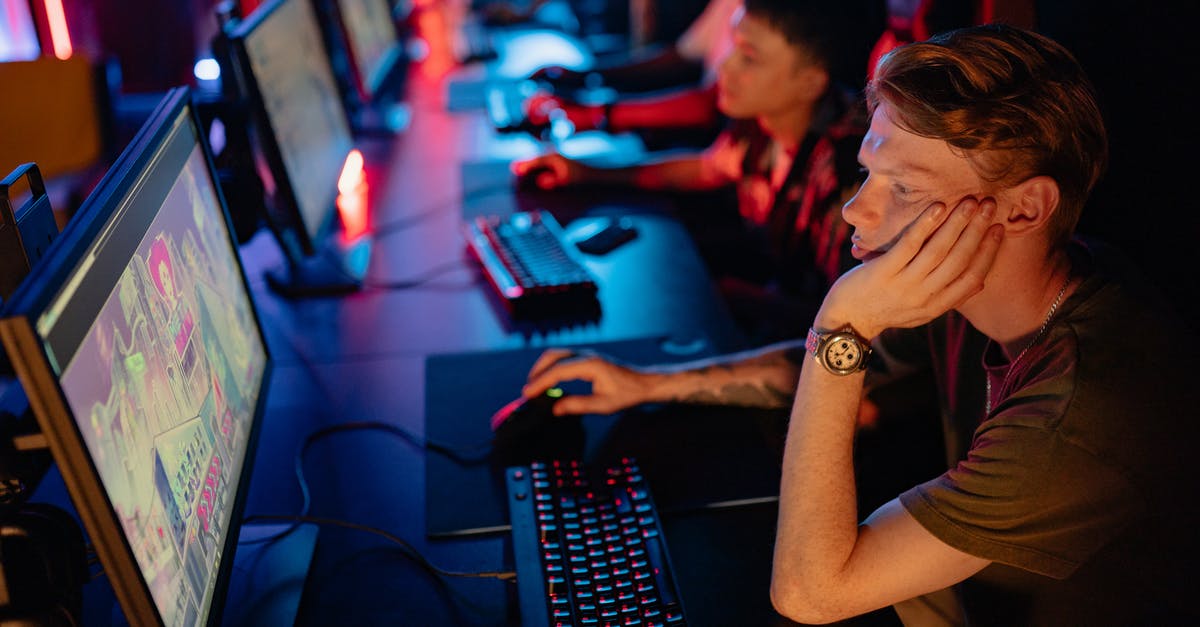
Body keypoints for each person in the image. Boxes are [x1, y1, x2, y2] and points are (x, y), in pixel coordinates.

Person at [522, 23, 1200, 625]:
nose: (855, 210)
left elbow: (811, 593)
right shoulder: (989, 289)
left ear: (1023, 210)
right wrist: (646, 384)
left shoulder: (1081, 416)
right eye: (866, 172)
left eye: (903, 188)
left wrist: (845, 318)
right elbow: (831, 365)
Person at [515, 0, 883, 342]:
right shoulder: (761, 123)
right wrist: (585, 174)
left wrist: (740, 298)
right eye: (734, 48)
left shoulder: (848, 174)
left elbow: (849, 326)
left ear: (810, 82)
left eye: (749, 58)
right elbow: (705, 168)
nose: (725, 66)